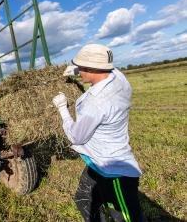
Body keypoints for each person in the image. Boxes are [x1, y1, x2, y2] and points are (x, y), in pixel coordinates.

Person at [52, 44, 143, 222]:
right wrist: (78, 71)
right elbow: (103, 69)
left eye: (81, 68)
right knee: (83, 199)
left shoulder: (96, 102)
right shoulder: (119, 79)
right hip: (96, 162)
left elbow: (76, 136)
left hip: (113, 171)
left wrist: (62, 108)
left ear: (91, 68)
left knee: (125, 217)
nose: (79, 70)